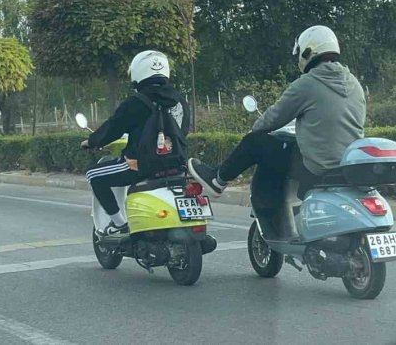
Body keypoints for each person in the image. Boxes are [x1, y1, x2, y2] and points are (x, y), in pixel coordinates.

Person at [188, 26, 365, 205]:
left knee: (254, 142)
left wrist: (255, 129)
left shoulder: (308, 84)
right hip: (347, 166)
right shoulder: (355, 84)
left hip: (317, 167)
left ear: (307, 53)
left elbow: (272, 118)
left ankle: (217, 180)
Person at [82, 50, 190, 237]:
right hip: (177, 164)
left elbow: (113, 127)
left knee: (93, 175)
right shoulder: (180, 101)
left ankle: (119, 224)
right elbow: (183, 131)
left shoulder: (137, 101)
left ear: (138, 72)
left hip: (141, 166)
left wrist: (92, 141)